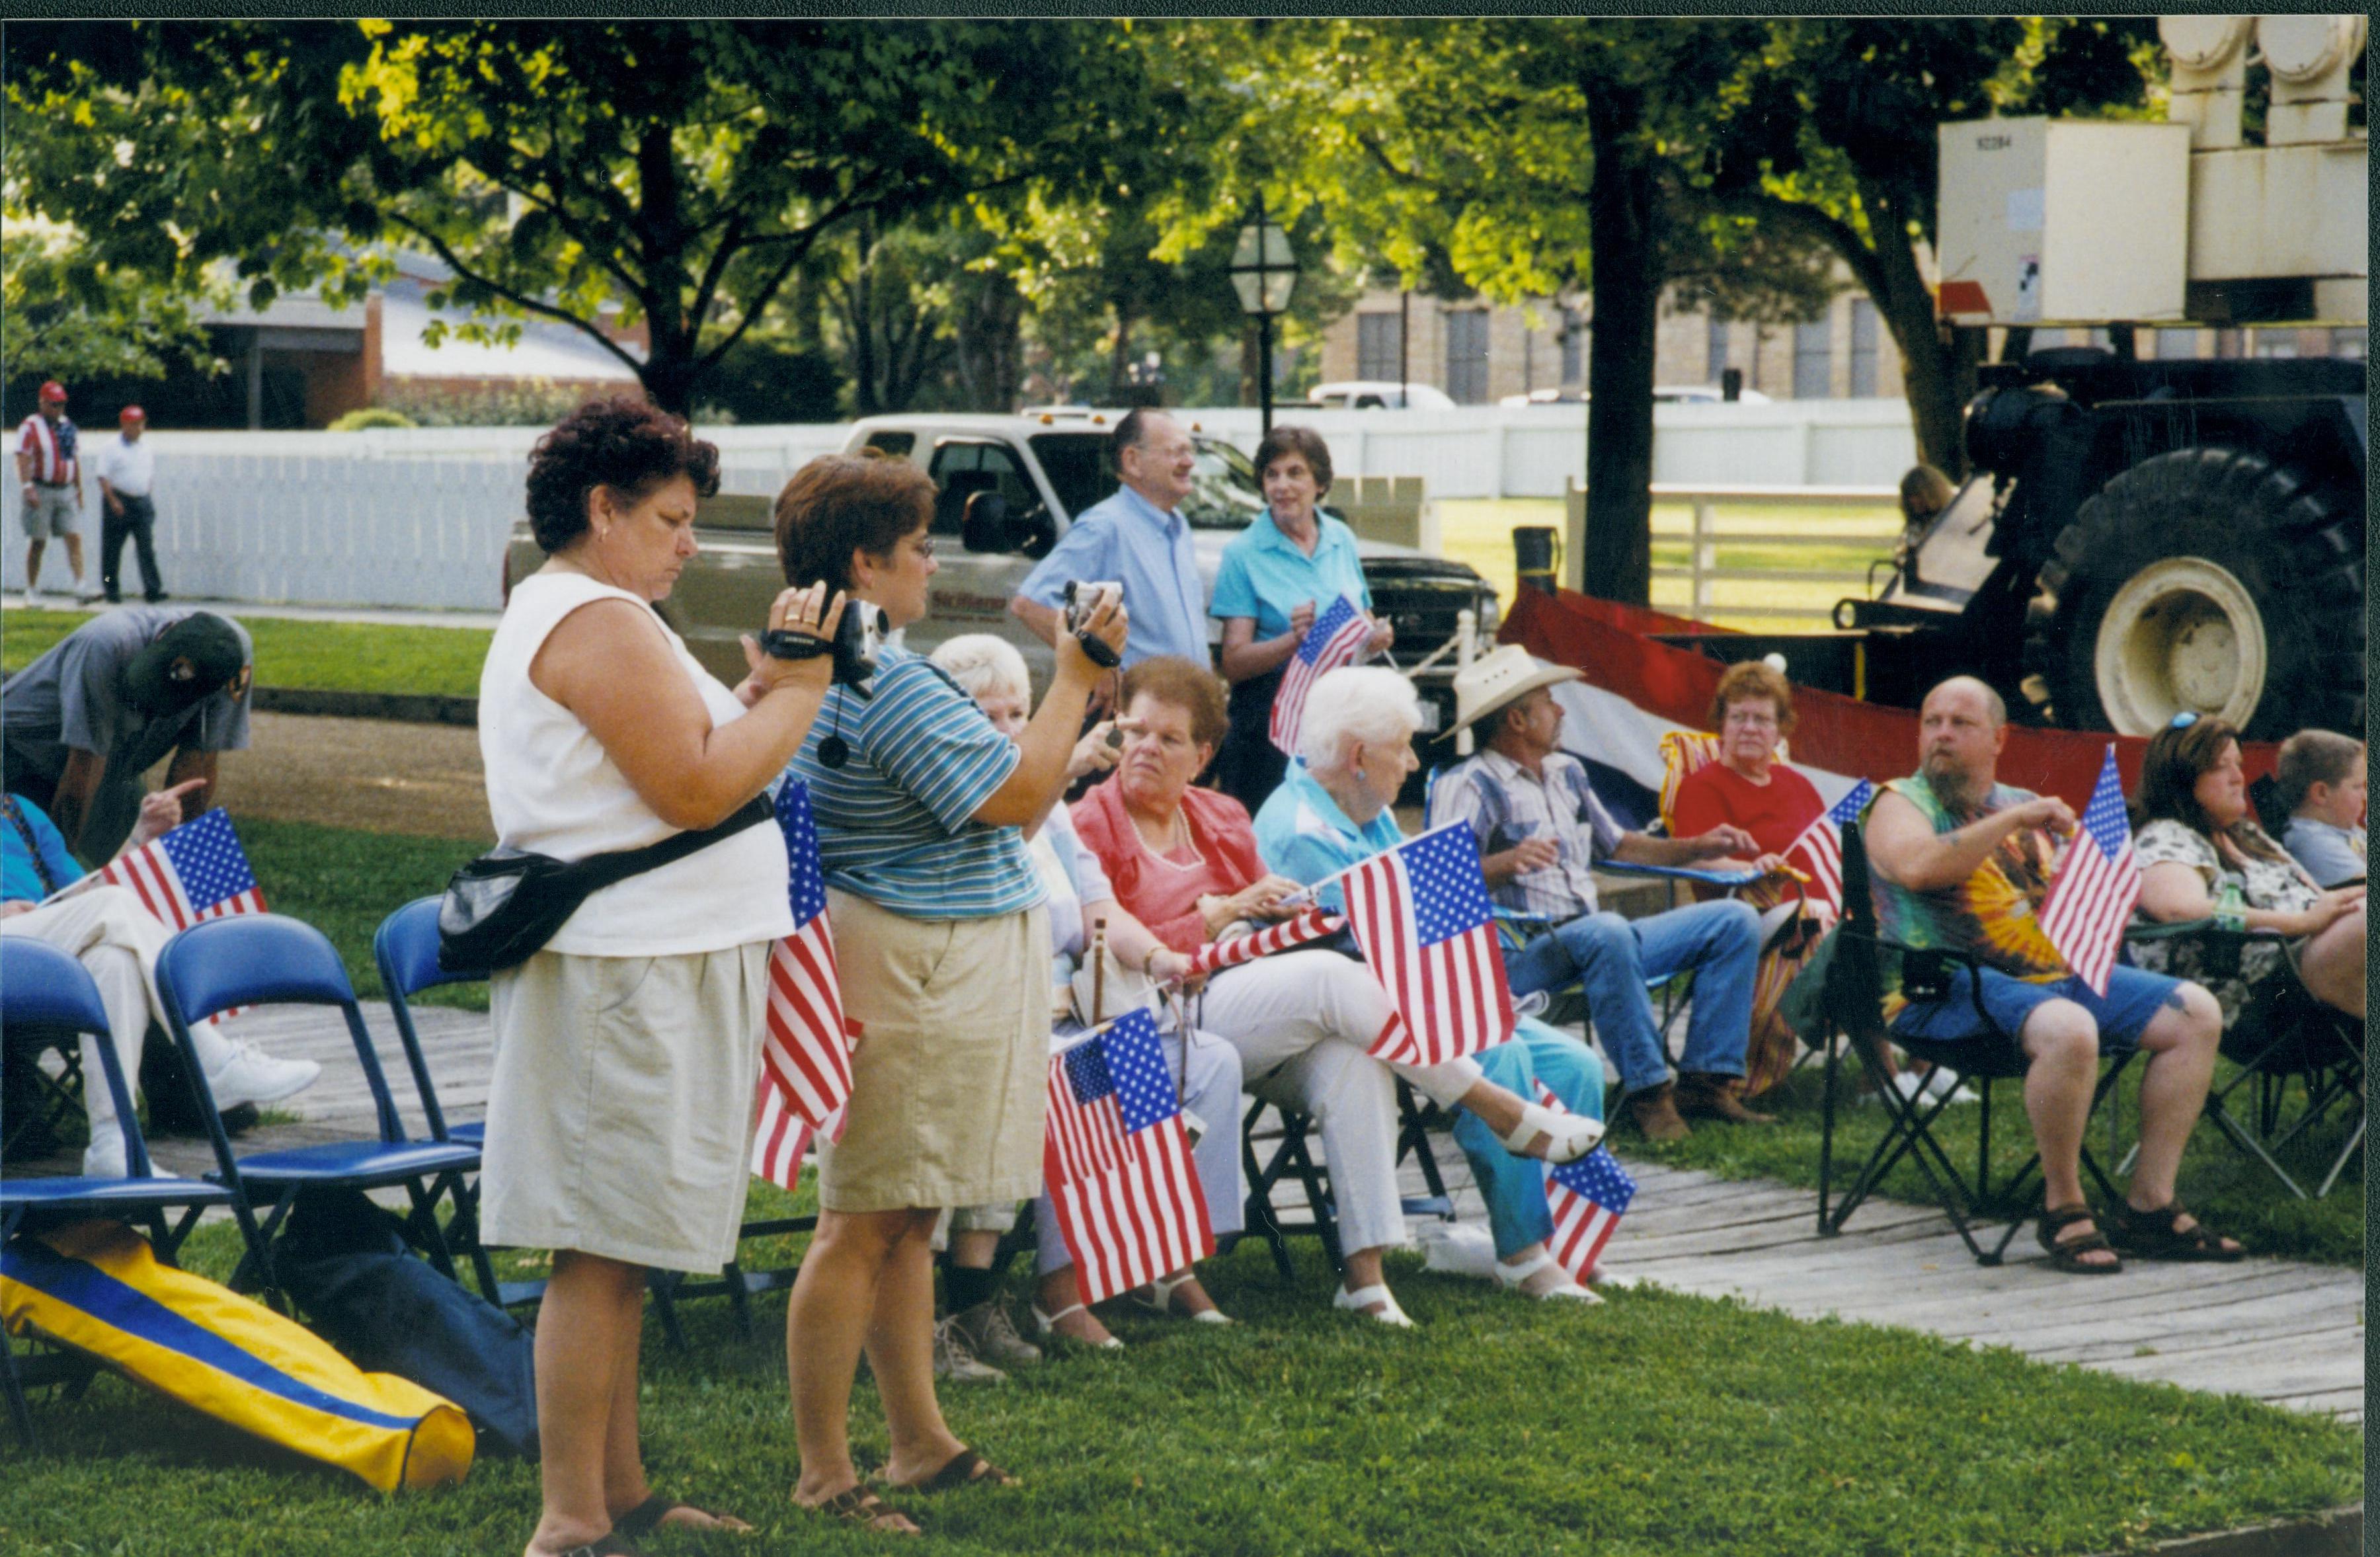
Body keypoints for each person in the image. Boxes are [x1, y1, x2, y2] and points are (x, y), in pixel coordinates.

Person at [477, 397, 844, 1556]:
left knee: (624, 1243)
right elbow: (694, 793)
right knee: (597, 1249)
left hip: (655, 960)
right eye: (675, 518)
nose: (693, 542)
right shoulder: (592, 616)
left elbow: (679, 764)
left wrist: (761, 696)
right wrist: (801, 690)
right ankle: (571, 1517)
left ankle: (622, 1494)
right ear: (604, 509)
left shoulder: (608, 614)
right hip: (622, 972)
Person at [776, 454, 1128, 1534]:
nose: (936, 560)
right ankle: (826, 1475)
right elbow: (1022, 793)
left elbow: (1007, 815)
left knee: (912, 1214)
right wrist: (1074, 675)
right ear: (863, 561)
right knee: (864, 1220)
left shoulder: (872, 659)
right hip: (912, 959)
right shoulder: (878, 671)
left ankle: (919, 1443)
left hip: (936, 947)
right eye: (920, 546)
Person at [1072, 656, 1601, 1328]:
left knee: (1353, 1060)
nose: (1146, 747)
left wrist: (1281, 911)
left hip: (1249, 1007)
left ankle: (1365, 1277)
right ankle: (1497, 1108)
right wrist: (1217, 913)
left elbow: (1280, 922)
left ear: (1202, 756)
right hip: (1158, 1013)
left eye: (1169, 738)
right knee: (1334, 978)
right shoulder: (1094, 821)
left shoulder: (1223, 817)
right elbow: (1094, 938)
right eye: (1136, 730)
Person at [928, 635, 1242, 1369]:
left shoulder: (1055, 813)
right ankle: (1055, 1291)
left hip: (1079, 1009)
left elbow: (1099, 910)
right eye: (987, 713)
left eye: (1017, 711)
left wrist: (1163, 956)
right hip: (1004, 1015)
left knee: (1209, 1061)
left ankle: (1170, 1257)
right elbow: (999, 849)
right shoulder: (966, 800)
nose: (1007, 727)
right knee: (1097, 1072)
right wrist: (1055, 771)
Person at [1861, 678, 2239, 1274]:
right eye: (1932, 721)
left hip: (2047, 976)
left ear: (1998, 737)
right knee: (2069, 1027)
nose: (1942, 735)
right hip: (1942, 988)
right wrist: (2016, 818)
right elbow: (1916, 867)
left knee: (2195, 1011)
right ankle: (2063, 1205)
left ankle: (2149, 1204)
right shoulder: (1898, 802)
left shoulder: (2018, 801)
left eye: (1960, 723)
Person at [1255, 666, 1606, 1302]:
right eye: (1405, 747)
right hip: (1355, 1019)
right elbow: (1376, 950)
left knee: (1577, 1063)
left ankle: (1566, 1248)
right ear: (1359, 756)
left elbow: (1427, 921)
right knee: (1501, 1052)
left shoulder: (1364, 810)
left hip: (1419, 995)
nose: (1415, 763)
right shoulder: (1304, 831)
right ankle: (1524, 1254)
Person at [1427, 645, 1768, 1143]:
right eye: (1549, 700)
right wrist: (1504, 863)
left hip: (1599, 941)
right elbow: (1436, 887)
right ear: (1519, 719)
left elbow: (1621, 844)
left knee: (1734, 921)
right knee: (1607, 931)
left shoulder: (1568, 772)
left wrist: (1698, 846)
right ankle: (1649, 1094)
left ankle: (1706, 1082)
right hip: (1521, 954)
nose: (1561, 710)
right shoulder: (1469, 784)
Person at [0, 787, 319, 1177]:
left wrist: (142, 835)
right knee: (114, 906)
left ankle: (113, 1145)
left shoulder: (16, 812)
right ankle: (210, 1057)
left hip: (43, 960)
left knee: (112, 959)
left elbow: (83, 898)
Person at [2129, 716, 2363, 1025]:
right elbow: (2180, 910)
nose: (2238, 777)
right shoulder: (2166, 836)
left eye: (2237, 764)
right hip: (2260, 990)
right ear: (2181, 779)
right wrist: (2297, 923)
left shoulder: (2244, 835)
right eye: (2219, 767)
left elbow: (2317, 896)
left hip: (2309, 966)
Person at [1209, 424, 1392, 810]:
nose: (1282, 486)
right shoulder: (1243, 553)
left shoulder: (1340, 536)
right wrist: (1293, 641)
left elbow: (1363, 616)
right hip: (1268, 729)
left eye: (1295, 473)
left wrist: (1375, 638)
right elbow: (1234, 663)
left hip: (1336, 720)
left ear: (1320, 483)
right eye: (1272, 475)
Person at [1666, 659, 1827, 1098]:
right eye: (1738, 717)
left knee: (1880, 923)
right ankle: (1742, 1082)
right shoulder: (1704, 786)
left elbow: (1825, 845)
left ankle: (1893, 1072)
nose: (1750, 728)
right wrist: (1751, 868)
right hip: (1749, 915)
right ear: (1721, 724)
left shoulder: (1797, 784)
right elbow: (1692, 860)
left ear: (1781, 730)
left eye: (1762, 718)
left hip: (1819, 912)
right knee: (1812, 920)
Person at [1, 606, 254, 863]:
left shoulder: (232, 659)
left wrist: (178, 864)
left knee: (141, 871)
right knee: (22, 879)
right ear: (163, 635)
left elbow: (195, 770)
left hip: (111, 768)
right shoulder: (107, 643)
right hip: (19, 753)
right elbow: (82, 774)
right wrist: (57, 875)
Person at [1010, 407, 1208, 674]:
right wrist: (1099, 667)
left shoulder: (1177, 525)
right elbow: (1032, 605)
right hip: (1137, 708)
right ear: (1133, 461)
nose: (1189, 462)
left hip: (1184, 706)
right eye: (1176, 452)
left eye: (1189, 450)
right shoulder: (1105, 526)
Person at [15, 379, 90, 604]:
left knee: (74, 536)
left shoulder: (67, 425)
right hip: (42, 488)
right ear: (43, 403)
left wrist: (78, 488)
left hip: (64, 489)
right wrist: (28, 487)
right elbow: (23, 457)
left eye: (61, 404)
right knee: (38, 541)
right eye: (54, 404)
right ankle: (31, 589)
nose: (58, 409)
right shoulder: (30, 426)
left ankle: (81, 586)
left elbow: (72, 459)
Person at [93, 404, 167, 604]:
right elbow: (103, 476)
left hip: (141, 501)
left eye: (141, 424)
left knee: (146, 549)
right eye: (133, 424)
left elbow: (148, 475)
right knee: (112, 551)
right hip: (119, 500)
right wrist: (113, 501)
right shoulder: (111, 447)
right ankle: (110, 588)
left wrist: (146, 496)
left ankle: (153, 589)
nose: (138, 428)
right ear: (124, 425)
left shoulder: (145, 447)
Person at [2274, 729, 2366, 889]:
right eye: (2357, 787)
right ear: (2321, 793)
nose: (2365, 796)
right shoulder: (2312, 841)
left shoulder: (2342, 828)